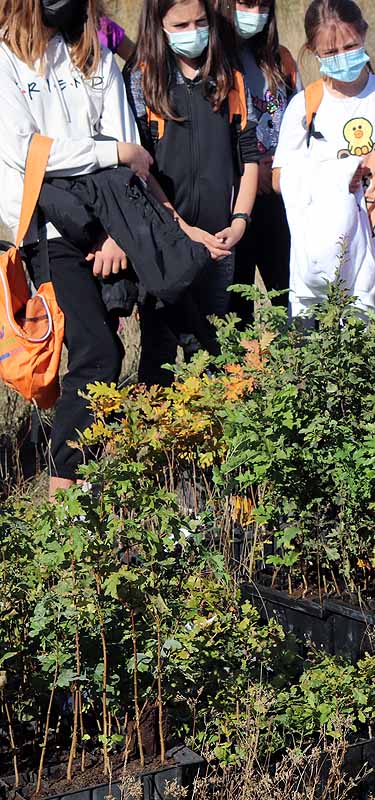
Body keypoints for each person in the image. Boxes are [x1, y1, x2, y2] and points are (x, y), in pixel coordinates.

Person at [0, 0, 150, 493]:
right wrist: (110, 153)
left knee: (100, 358)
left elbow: (124, 137)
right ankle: (65, 491)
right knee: (98, 354)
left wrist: (115, 231)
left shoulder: (93, 52)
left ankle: (90, 490)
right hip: (51, 232)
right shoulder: (6, 59)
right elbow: (27, 152)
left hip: (110, 232)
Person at [127, 0, 261, 385]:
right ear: (159, 25)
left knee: (217, 345)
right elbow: (140, 168)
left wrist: (239, 222)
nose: (193, 32)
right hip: (165, 244)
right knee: (161, 350)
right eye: (181, 24)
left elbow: (248, 155)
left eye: (200, 22)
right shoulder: (142, 78)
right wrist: (181, 227)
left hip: (220, 240)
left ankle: (220, 439)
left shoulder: (228, 75)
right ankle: (163, 440)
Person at [274, 0, 375, 324]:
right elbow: (279, 178)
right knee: (327, 361)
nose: (342, 58)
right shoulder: (305, 106)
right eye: (329, 53)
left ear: (364, 34)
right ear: (313, 50)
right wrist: (337, 173)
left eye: (350, 46)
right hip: (327, 254)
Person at [228, 0, 303, 322]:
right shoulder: (215, 62)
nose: (254, 14)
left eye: (262, 6)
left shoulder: (280, 59)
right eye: (246, 4)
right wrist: (249, 167)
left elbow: (300, 121)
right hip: (233, 198)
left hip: (280, 195)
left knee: (291, 294)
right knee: (235, 302)